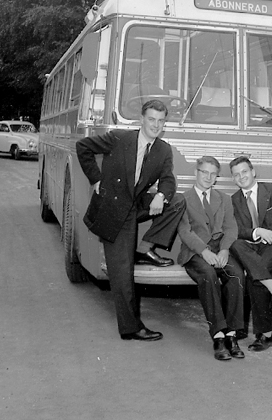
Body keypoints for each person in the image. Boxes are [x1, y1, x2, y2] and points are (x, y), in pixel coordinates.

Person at [76, 99, 186, 340]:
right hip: (114, 210)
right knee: (123, 274)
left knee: (177, 201)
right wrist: (96, 179)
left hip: (135, 204)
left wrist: (161, 196)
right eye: (151, 119)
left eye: (161, 121)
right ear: (141, 120)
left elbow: (168, 179)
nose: (156, 125)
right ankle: (131, 328)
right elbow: (83, 146)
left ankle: (144, 248)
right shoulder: (119, 138)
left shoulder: (163, 150)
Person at [176, 156, 246, 361]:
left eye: (213, 174)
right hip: (195, 252)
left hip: (219, 250)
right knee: (208, 275)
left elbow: (231, 228)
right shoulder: (182, 199)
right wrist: (204, 251)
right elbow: (185, 231)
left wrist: (224, 250)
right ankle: (218, 336)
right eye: (204, 172)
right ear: (195, 173)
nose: (208, 177)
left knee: (236, 274)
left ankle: (231, 334)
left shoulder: (224, 199)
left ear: (217, 177)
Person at [229, 156, 272, 352]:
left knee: (256, 276)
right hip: (251, 247)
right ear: (233, 178)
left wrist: (268, 234)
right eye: (236, 175)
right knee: (235, 243)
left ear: (253, 172)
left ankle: (265, 335)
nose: (241, 177)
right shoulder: (233, 201)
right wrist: (257, 232)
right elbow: (235, 229)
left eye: (244, 172)